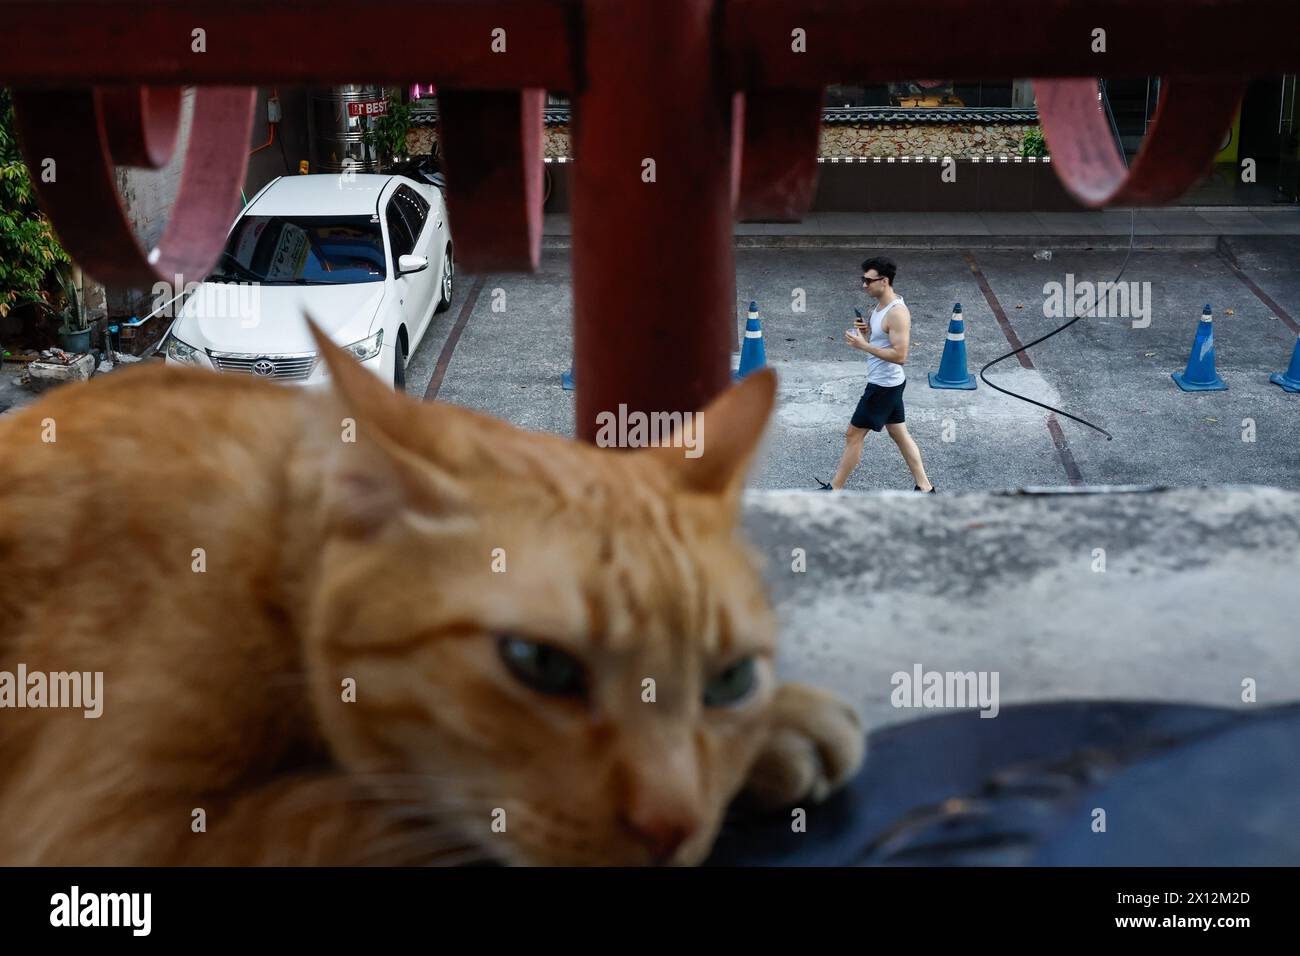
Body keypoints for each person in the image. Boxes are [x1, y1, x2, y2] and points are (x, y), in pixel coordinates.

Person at [816, 256, 935, 493]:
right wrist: (867, 333)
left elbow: (901, 355)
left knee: (853, 434)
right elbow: (882, 340)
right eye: (863, 279)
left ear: (885, 281)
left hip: (883, 385)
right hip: (890, 383)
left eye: (868, 281)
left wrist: (864, 346)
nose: (863, 285)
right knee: (899, 434)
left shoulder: (897, 313)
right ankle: (925, 488)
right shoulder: (879, 306)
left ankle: (835, 489)